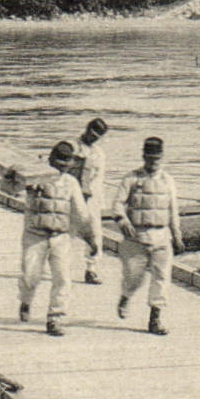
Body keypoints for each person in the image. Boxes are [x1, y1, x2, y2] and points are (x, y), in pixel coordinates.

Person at [13, 141, 96, 337]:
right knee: (30, 277)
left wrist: (90, 239)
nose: (61, 167)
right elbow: (9, 189)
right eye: (58, 163)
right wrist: (10, 176)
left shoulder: (71, 183)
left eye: (65, 164)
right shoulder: (34, 178)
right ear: (50, 160)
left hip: (61, 237)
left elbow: (81, 214)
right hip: (35, 236)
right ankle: (26, 301)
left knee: (63, 279)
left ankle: (55, 317)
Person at [110, 136, 184, 336]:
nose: (153, 162)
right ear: (144, 156)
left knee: (161, 277)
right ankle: (126, 296)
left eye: (157, 158)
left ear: (161, 158)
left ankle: (155, 318)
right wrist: (123, 221)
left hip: (161, 236)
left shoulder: (167, 180)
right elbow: (117, 204)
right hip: (137, 236)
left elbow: (173, 210)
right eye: (149, 158)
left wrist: (177, 235)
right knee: (134, 277)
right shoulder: (132, 178)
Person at [72, 116, 109, 284]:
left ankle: (91, 269)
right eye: (91, 133)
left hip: (92, 198)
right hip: (72, 195)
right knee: (63, 232)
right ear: (86, 129)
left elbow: (99, 179)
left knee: (95, 234)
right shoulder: (72, 147)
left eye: (97, 136)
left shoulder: (99, 153)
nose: (93, 137)